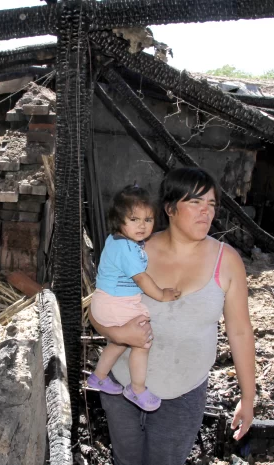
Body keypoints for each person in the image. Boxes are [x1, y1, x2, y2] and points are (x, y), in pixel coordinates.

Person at [89, 167, 256, 465]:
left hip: (183, 392)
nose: (206, 212)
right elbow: (99, 307)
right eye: (195, 202)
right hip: (124, 386)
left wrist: (248, 396)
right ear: (169, 208)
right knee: (125, 460)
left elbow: (240, 332)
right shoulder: (134, 250)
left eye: (211, 204)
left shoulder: (226, 261)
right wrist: (116, 334)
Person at [87, 185, 181, 412]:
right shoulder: (127, 249)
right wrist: (161, 294)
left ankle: (98, 377)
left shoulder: (116, 241)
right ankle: (137, 388)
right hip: (117, 303)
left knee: (119, 342)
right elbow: (141, 279)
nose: (142, 225)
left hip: (105, 301)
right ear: (118, 220)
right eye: (134, 219)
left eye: (148, 220)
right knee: (142, 340)